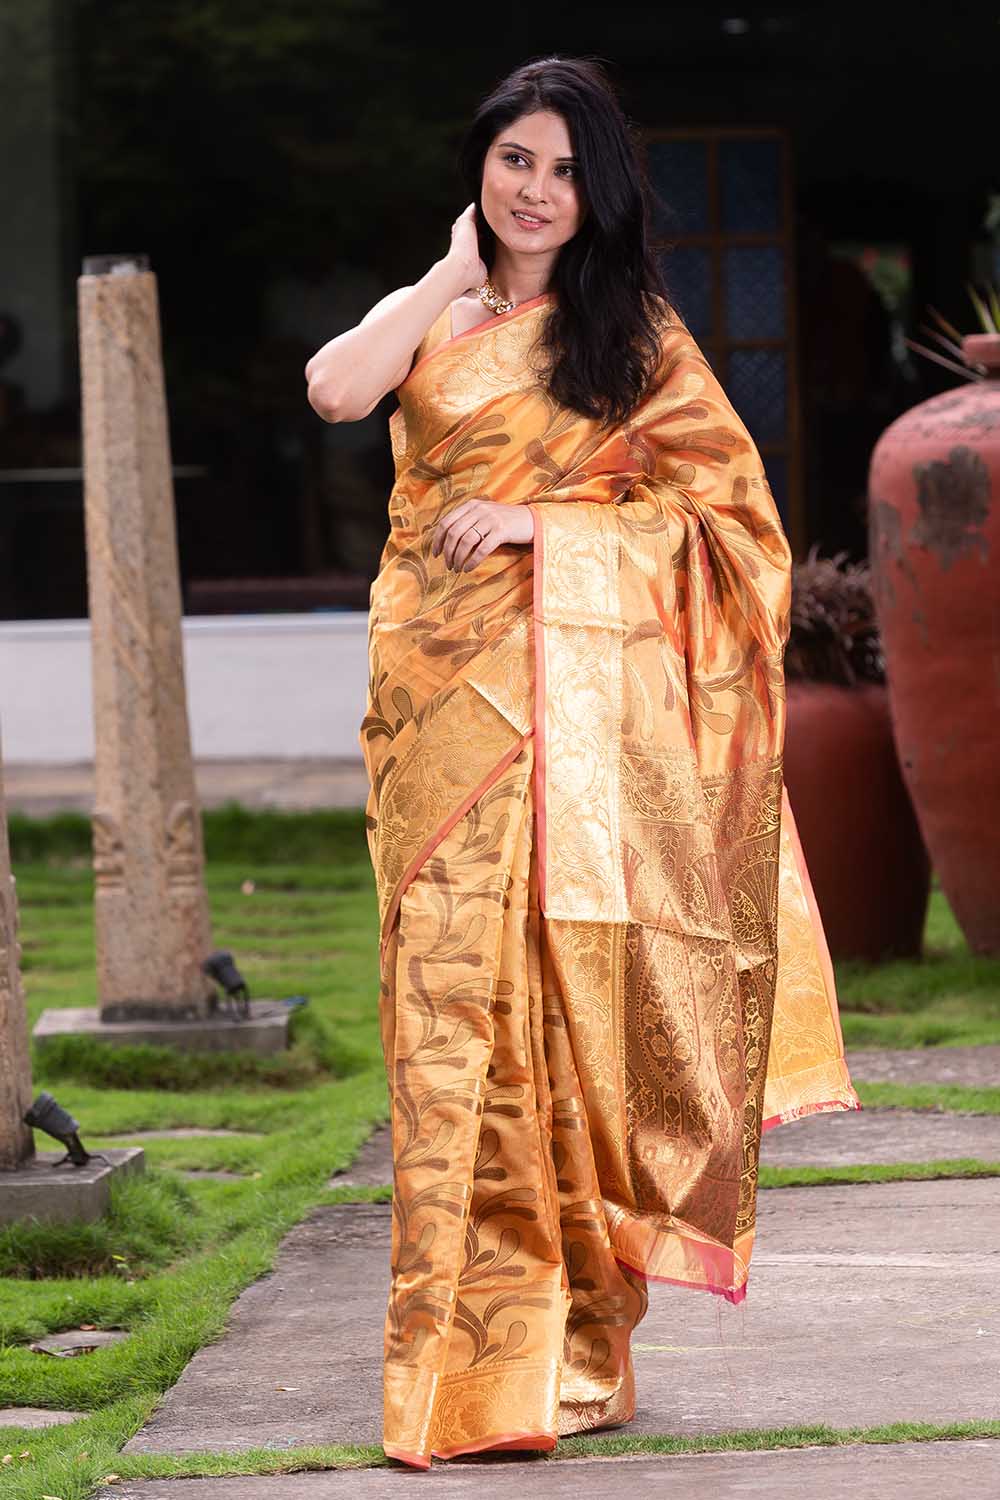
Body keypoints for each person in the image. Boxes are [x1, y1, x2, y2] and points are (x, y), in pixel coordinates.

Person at [305, 54, 861, 1471]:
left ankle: (564, 1354)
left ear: (595, 189)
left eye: (563, 169)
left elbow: (737, 532)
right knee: (447, 1037)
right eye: (514, 162)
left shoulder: (635, 337)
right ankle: (461, 1368)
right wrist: (445, 280)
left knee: (562, 1018)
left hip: (573, 728)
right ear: (479, 169)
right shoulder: (435, 315)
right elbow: (332, 389)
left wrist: (552, 528)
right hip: (434, 715)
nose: (536, 190)